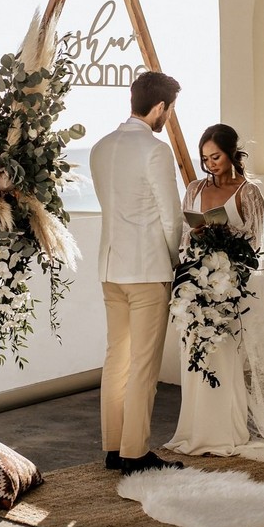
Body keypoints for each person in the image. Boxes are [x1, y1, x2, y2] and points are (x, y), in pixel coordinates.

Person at [165, 123, 264, 455]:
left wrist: (226, 244)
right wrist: (197, 240)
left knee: (224, 361)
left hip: (231, 292)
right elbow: (183, 240)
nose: (211, 164)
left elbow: (257, 246)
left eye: (217, 157)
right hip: (195, 289)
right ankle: (193, 430)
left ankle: (228, 431)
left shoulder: (249, 192)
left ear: (232, 154)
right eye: (205, 158)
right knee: (194, 360)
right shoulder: (194, 189)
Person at [90, 71, 185, 475]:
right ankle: (135, 454)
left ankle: (114, 448)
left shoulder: (99, 148)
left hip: (110, 268)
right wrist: (174, 260)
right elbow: (171, 217)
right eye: (170, 109)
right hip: (147, 271)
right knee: (144, 365)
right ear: (160, 107)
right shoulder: (155, 150)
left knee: (117, 360)